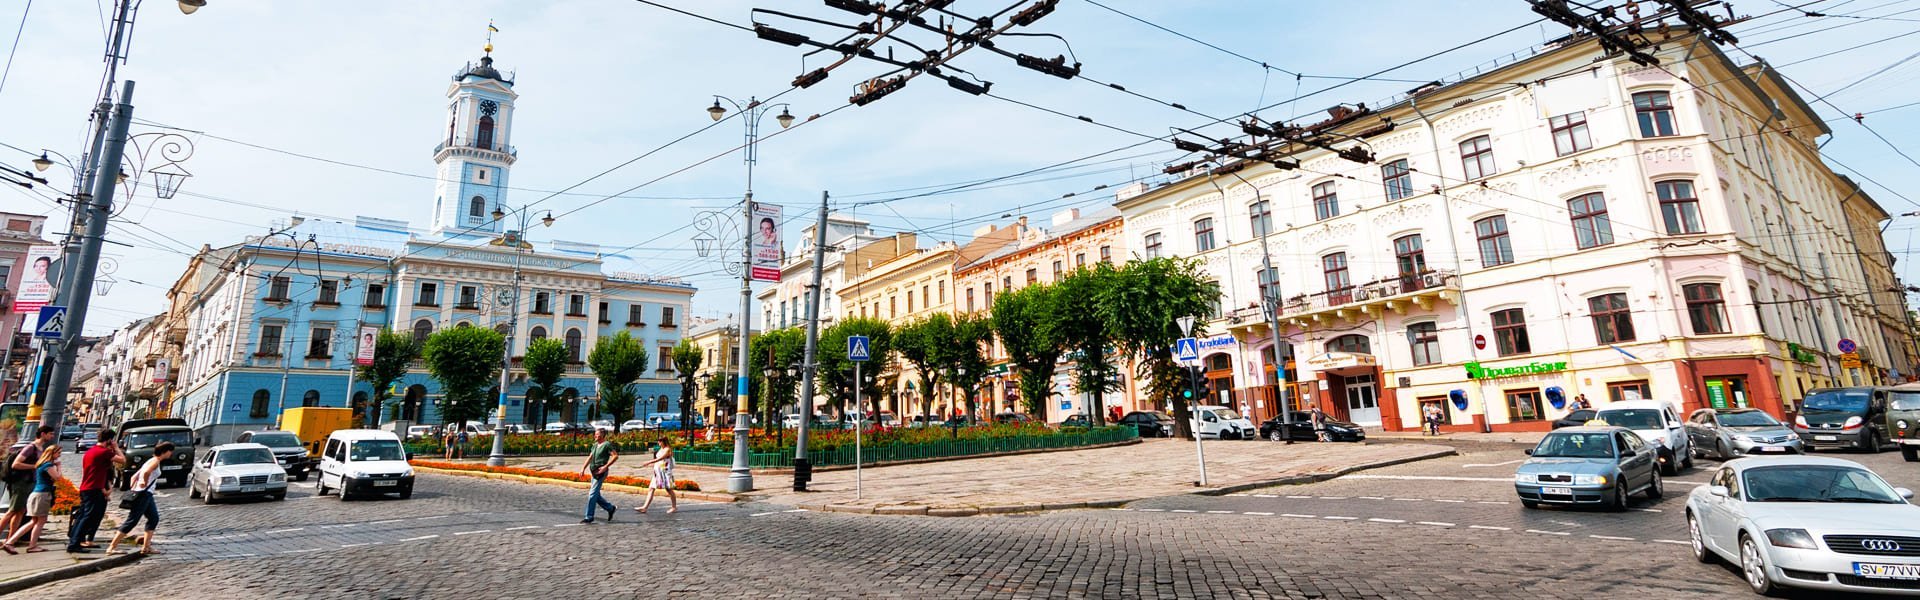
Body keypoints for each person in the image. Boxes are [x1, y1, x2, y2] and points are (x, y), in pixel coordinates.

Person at [106, 441, 172, 555]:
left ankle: (146, 547)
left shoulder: (151, 460)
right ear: (165, 452)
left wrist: (135, 486)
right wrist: (144, 483)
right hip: (143, 494)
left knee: (153, 518)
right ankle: (111, 547)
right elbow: (145, 472)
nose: (171, 453)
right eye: (170, 451)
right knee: (132, 520)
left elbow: (134, 476)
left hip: (146, 494)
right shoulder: (155, 461)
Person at [66, 427, 124, 553]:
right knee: (87, 516)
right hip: (93, 488)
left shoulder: (91, 451)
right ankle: (74, 544)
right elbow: (122, 460)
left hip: (87, 487)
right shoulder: (103, 452)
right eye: (112, 440)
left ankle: (76, 540)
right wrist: (117, 448)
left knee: (83, 515)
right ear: (109, 440)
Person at [1, 445, 60, 553]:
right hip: (42, 495)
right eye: (58, 453)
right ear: (52, 453)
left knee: (34, 521)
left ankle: (11, 542)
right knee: (40, 521)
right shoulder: (47, 465)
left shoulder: (40, 464)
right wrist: (59, 466)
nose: (59, 455)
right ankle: (29, 545)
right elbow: (57, 477)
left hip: (37, 494)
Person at [579, 428, 619, 524]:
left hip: (600, 472)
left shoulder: (607, 445)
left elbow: (615, 456)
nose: (595, 436)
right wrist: (583, 468)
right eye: (595, 434)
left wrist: (605, 467)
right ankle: (610, 508)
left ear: (602, 435)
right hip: (594, 471)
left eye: (596, 434)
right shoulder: (595, 445)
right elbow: (590, 457)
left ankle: (589, 516)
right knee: (596, 495)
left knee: (592, 494)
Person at [635, 440, 678, 514]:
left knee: (669, 489)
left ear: (664, 441)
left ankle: (674, 507)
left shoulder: (667, 449)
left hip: (665, 473)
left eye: (660, 441)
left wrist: (648, 462)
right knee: (651, 488)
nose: (658, 443)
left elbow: (660, 459)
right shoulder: (661, 449)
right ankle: (644, 507)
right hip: (658, 472)